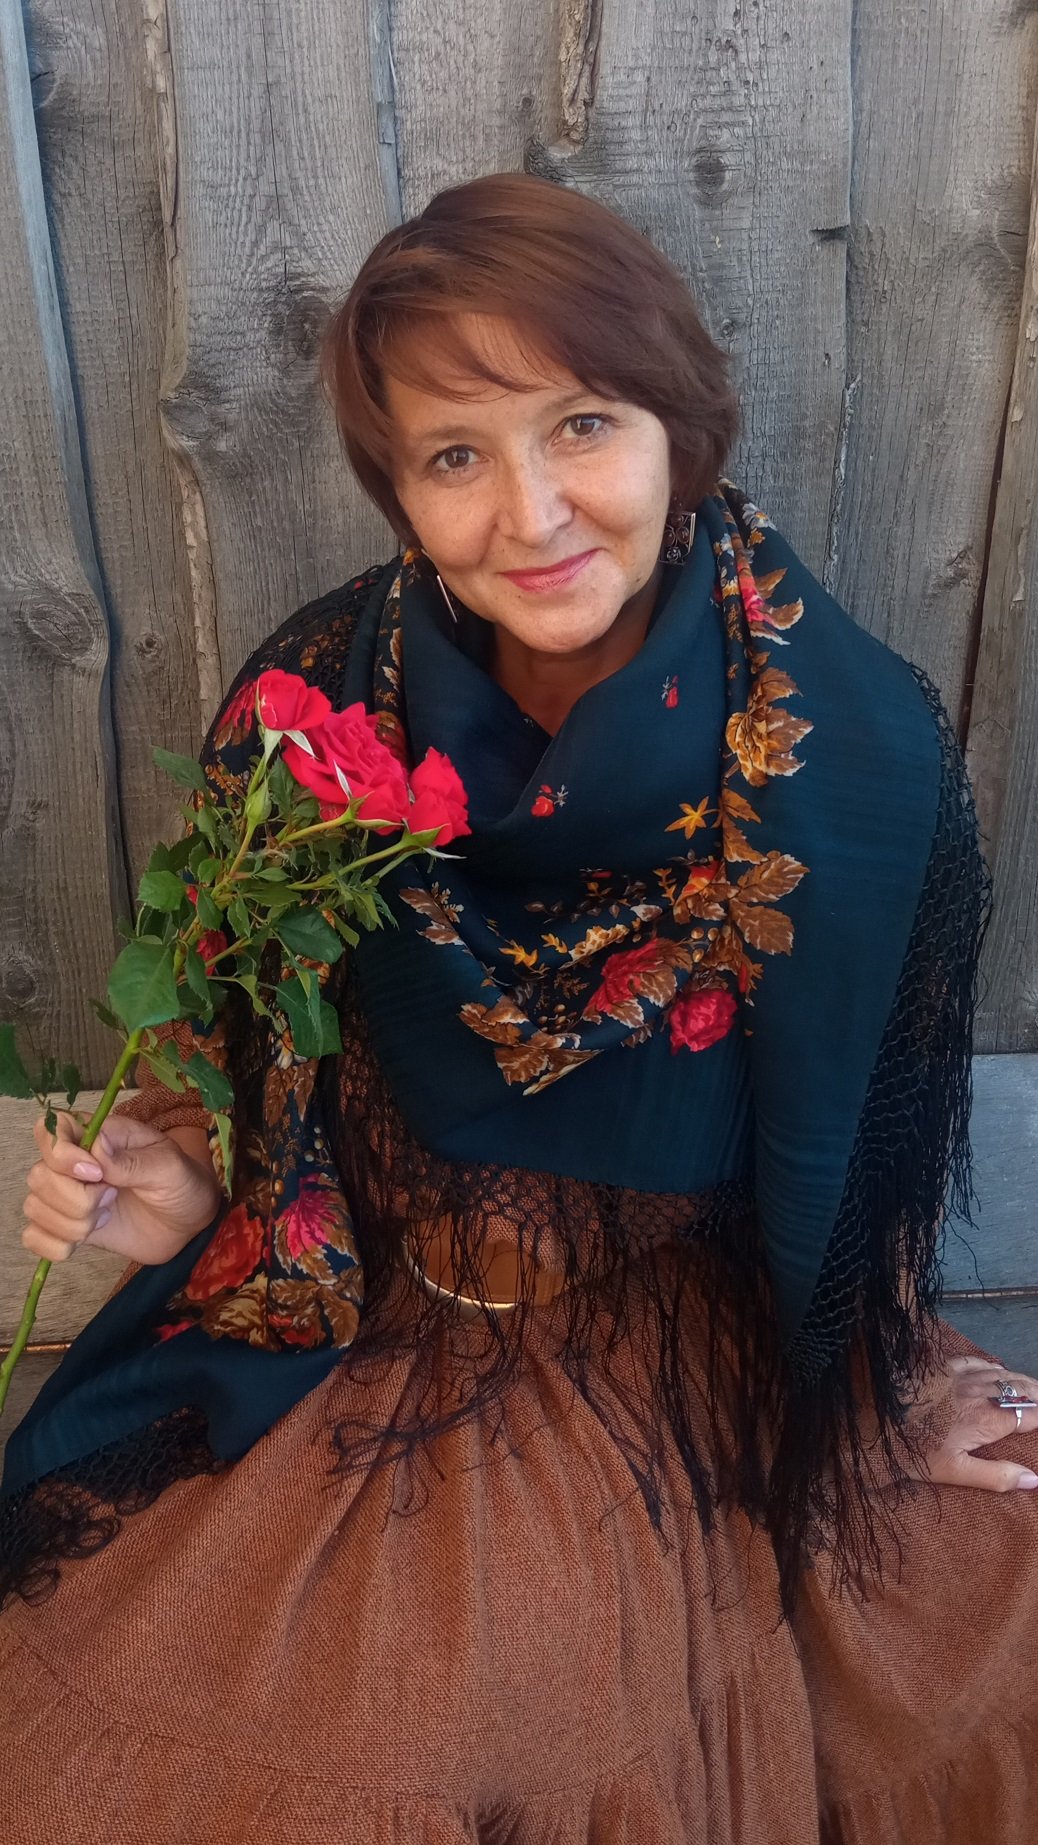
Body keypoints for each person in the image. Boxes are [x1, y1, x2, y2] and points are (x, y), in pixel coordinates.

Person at [2, 171, 1037, 1844]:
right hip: (391, 1324)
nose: (531, 512)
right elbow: (256, 1081)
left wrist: (886, 1368)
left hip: (697, 1343)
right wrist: (190, 1195)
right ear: (398, 489)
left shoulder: (851, 747)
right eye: (454, 456)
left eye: (581, 425)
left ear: (676, 427)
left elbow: (876, 1125)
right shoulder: (311, 714)